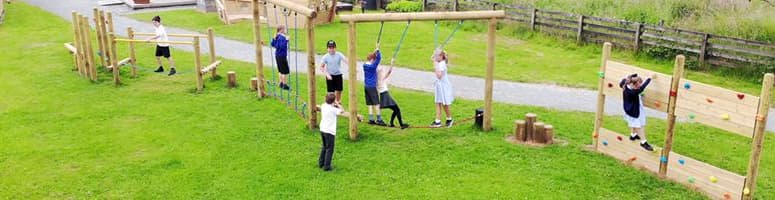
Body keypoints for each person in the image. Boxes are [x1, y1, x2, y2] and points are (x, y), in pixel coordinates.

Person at [619, 73, 655, 151]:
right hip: (633, 110)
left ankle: (633, 135)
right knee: (639, 125)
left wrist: (633, 76)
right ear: (632, 84)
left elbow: (627, 79)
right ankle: (643, 142)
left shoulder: (625, 83)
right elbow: (642, 88)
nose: (638, 86)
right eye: (637, 85)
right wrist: (649, 78)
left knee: (634, 123)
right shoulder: (632, 92)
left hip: (631, 108)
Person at [379, 58, 410, 129]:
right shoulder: (381, 78)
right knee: (397, 109)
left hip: (383, 95)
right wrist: (392, 63)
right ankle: (401, 124)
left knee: (396, 109)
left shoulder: (378, 80)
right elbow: (389, 71)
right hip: (385, 95)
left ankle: (392, 123)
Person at [363, 45, 386, 126]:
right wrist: (378, 51)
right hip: (372, 87)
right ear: (372, 59)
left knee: (369, 103)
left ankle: (371, 119)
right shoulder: (373, 66)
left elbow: (375, 59)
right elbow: (379, 58)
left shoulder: (365, 65)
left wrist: (375, 52)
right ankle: (379, 119)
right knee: (376, 103)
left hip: (366, 86)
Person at [430, 49, 454, 128]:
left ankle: (448, 119)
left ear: (441, 56)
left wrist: (435, 64)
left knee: (444, 103)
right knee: (439, 103)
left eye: (437, 56)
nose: (435, 57)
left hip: (443, 86)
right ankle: (439, 121)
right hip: (440, 86)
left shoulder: (442, 64)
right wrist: (435, 61)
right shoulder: (440, 63)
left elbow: (439, 76)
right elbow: (432, 58)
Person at [319, 93, 342, 171]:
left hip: (322, 129)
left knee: (324, 146)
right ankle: (327, 166)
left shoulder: (323, 105)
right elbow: (342, 111)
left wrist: (334, 103)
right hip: (329, 131)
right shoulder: (333, 110)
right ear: (333, 101)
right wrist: (338, 104)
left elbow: (329, 105)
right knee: (330, 149)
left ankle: (321, 163)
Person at [320, 40, 348, 105]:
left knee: (339, 89)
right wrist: (327, 74)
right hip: (330, 75)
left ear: (335, 48)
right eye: (330, 48)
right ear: (327, 48)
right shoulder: (325, 57)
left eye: (333, 47)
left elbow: (346, 60)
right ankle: (331, 103)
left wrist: (350, 67)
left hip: (338, 74)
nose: (332, 49)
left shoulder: (339, 54)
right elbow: (321, 67)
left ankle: (337, 102)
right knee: (330, 92)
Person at [270, 25, 291, 90]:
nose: (286, 30)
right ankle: (285, 85)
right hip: (282, 56)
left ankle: (281, 83)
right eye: (284, 29)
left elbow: (273, 44)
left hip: (277, 55)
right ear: (281, 30)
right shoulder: (282, 37)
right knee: (284, 71)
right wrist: (287, 40)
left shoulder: (277, 36)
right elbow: (282, 46)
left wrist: (274, 39)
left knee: (280, 70)